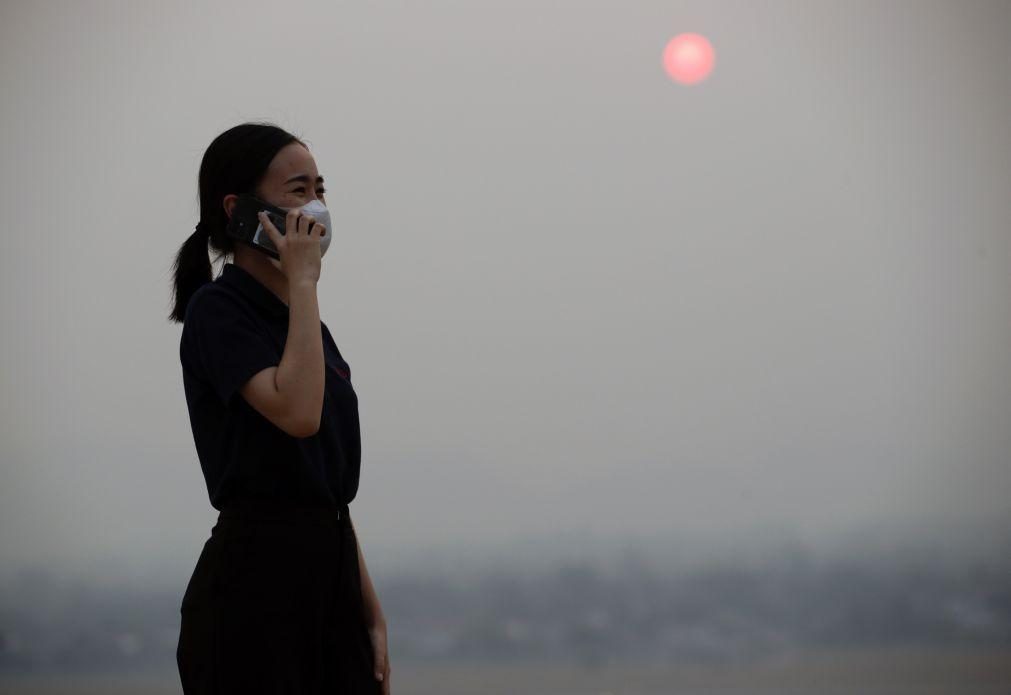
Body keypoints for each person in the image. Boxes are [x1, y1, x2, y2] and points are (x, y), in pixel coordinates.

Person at [167, 122, 391, 694]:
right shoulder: (218, 312)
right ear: (240, 211)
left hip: (330, 575)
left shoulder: (306, 327)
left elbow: (325, 483)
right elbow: (298, 414)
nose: (315, 205)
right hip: (256, 591)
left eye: (321, 187)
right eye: (297, 189)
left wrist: (368, 609)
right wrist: (305, 281)